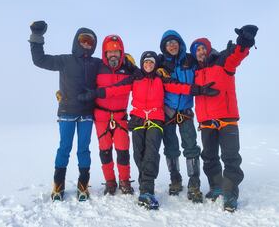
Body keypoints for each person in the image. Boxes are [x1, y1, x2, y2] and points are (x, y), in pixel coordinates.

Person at [79, 51, 218, 209]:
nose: (149, 65)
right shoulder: (135, 78)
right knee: (139, 154)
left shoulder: (161, 79)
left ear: (155, 65)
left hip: (155, 119)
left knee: (151, 152)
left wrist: (199, 90)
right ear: (142, 63)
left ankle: (147, 190)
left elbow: (179, 87)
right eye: (146, 62)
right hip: (138, 119)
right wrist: (95, 93)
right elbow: (115, 89)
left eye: (152, 63)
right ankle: (144, 181)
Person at [28, 20, 101, 202]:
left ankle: (83, 186)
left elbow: (115, 66)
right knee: (64, 148)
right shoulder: (65, 60)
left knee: (83, 150)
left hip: (86, 113)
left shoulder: (96, 63)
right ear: (77, 41)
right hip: (67, 111)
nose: (86, 43)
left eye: (90, 42)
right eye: (83, 39)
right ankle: (58, 186)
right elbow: (40, 60)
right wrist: (37, 37)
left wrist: (130, 64)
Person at [189, 25, 258, 212]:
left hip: (227, 120)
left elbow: (237, 55)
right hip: (206, 123)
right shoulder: (194, 72)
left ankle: (230, 194)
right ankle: (216, 186)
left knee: (231, 158)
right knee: (209, 158)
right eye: (197, 50)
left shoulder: (222, 62)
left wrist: (244, 42)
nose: (201, 52)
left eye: (203, 48)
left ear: (208, 49)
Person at [157, 30, 202, 202]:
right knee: (170, 147)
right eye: (168, 44)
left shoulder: (190, 60)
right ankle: (175, 178)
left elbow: (205, 64)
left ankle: (194, 182)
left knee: (191, 146)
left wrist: (213, 55)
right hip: (167, 111)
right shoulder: (161, 62)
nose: (172, 46)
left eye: (174, 42)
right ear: (164, 47)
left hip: (185, 111)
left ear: (180, 43)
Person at [93, 35, 137, 195]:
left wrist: (133, 67)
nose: (113, 55)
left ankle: (124, 181)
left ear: (121, 53)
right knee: (104, 150)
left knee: (123, 150)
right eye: (110, 52)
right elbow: (82, 82)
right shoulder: (97, 67)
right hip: (101, 116)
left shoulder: (128, 68)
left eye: (116, 52)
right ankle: (110, 182)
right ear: (105, 53)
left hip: (120, 116)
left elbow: (141, 80)